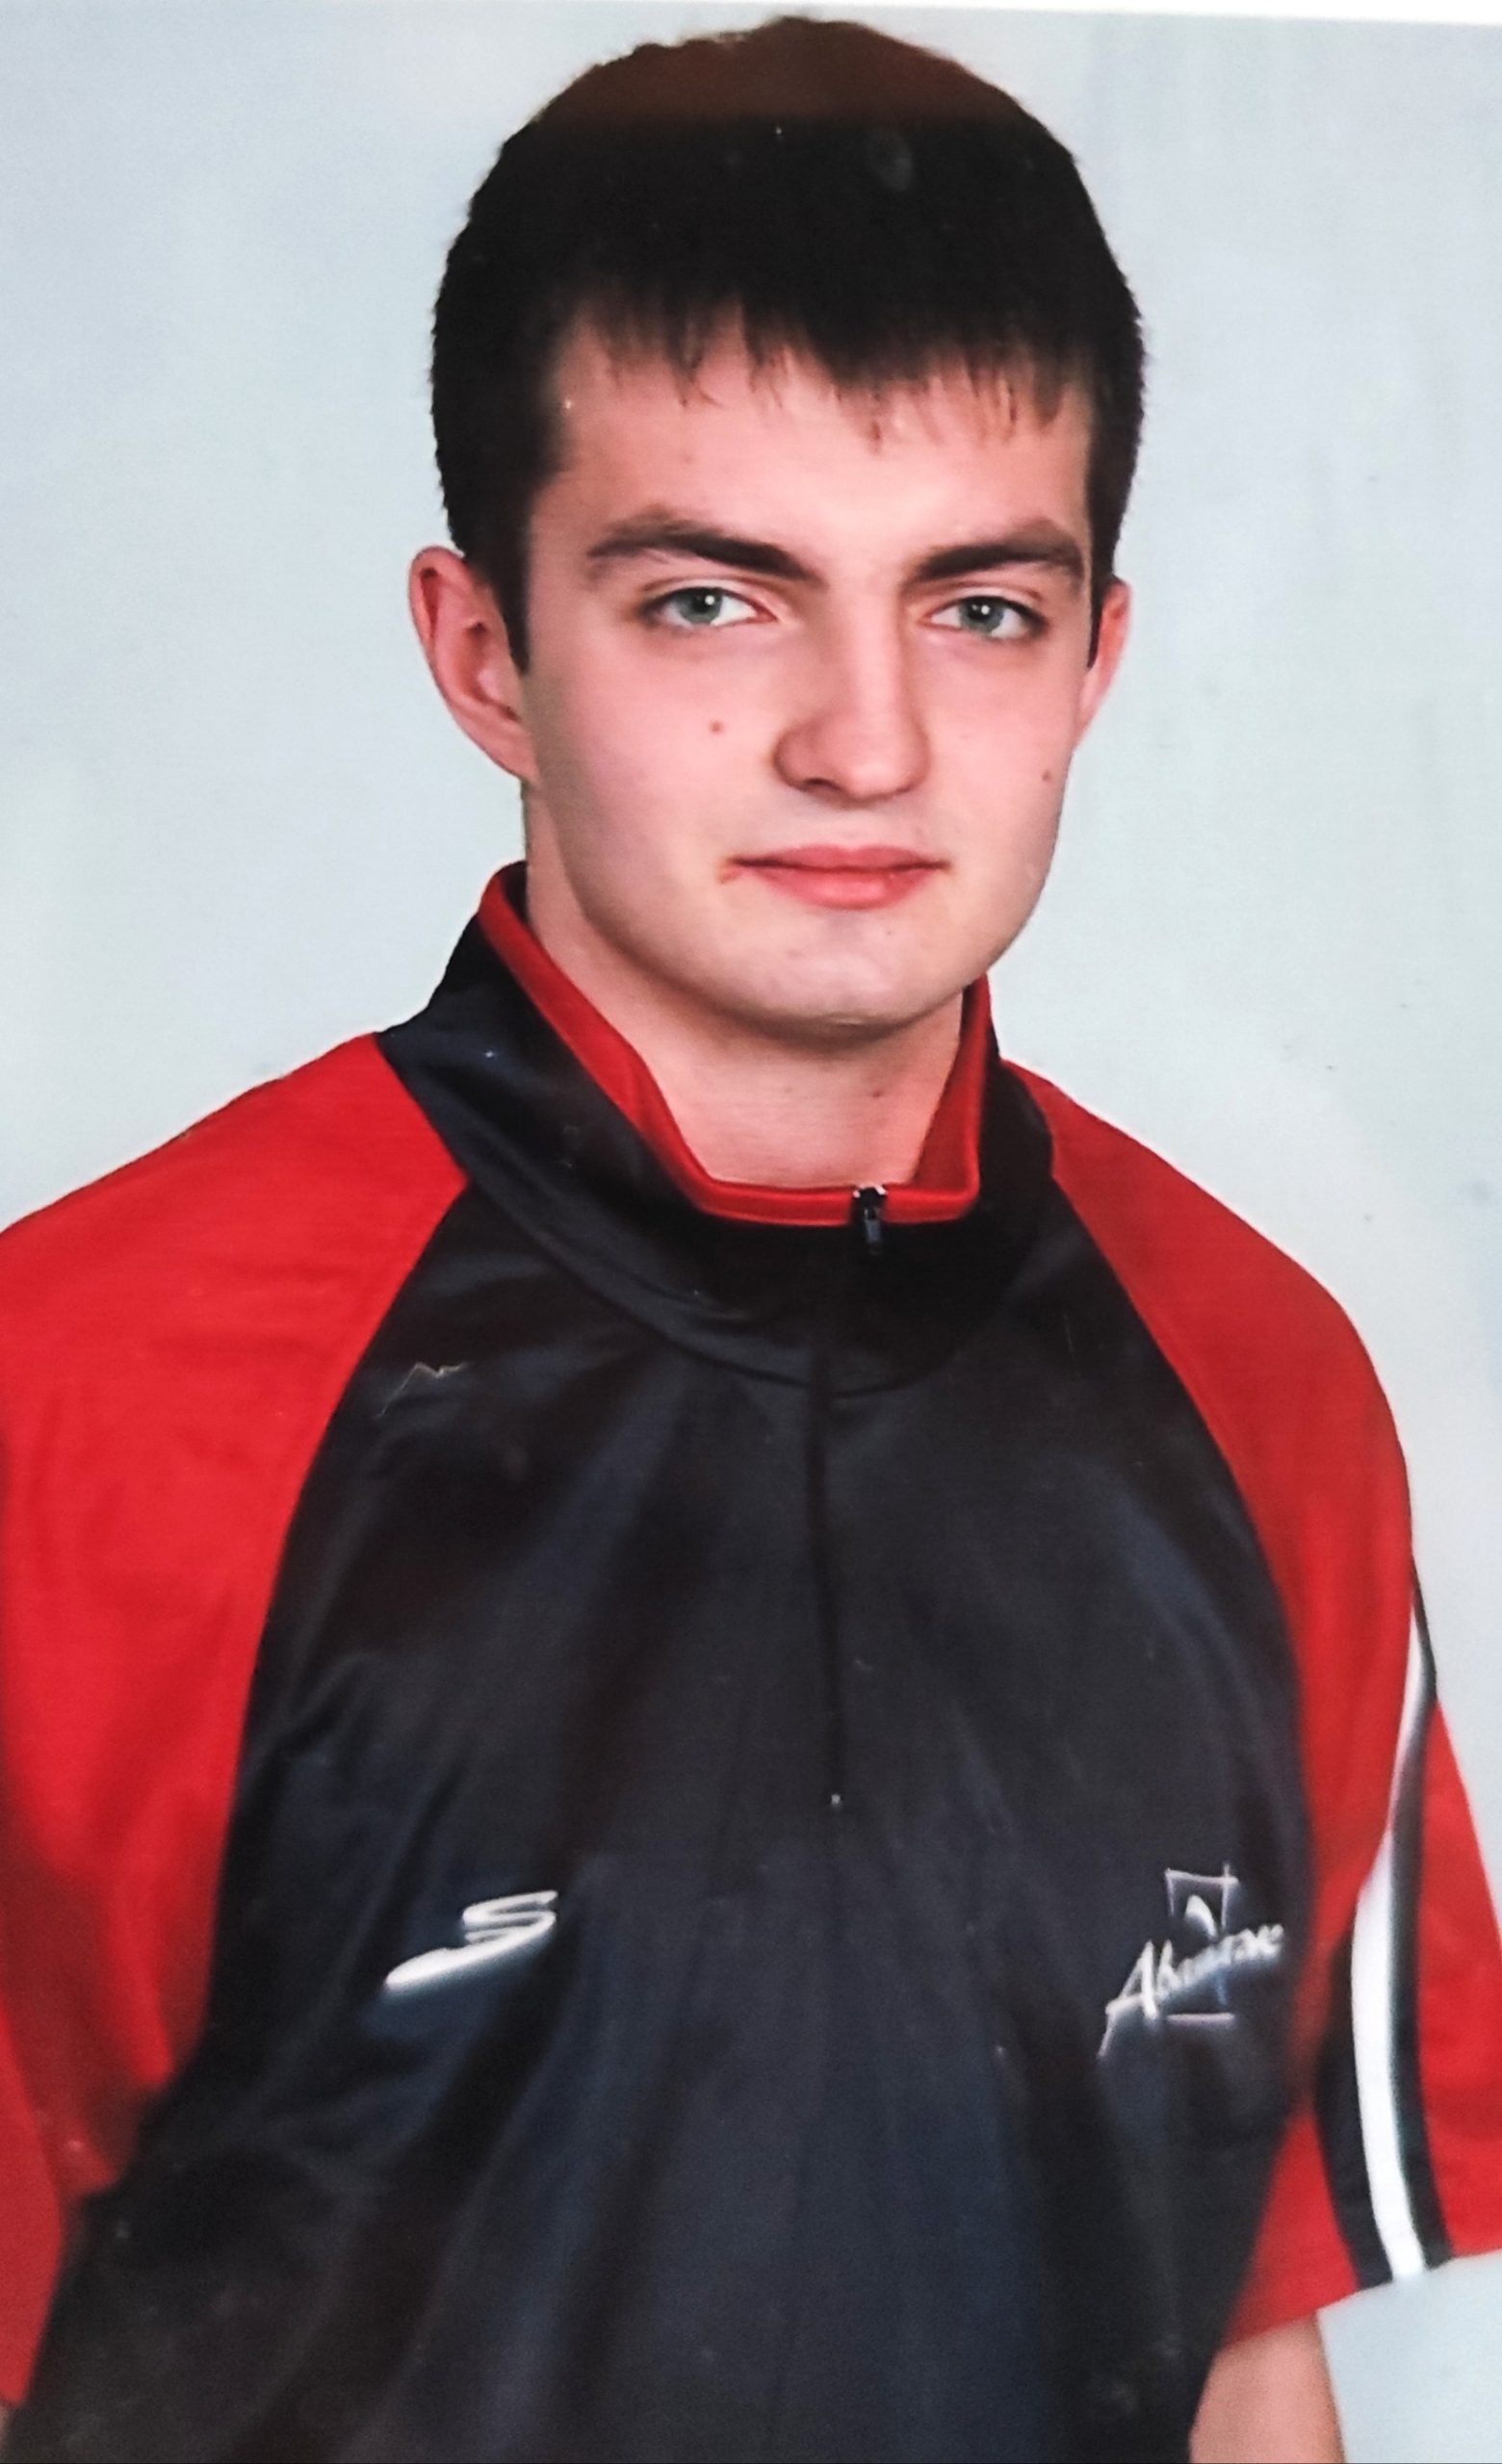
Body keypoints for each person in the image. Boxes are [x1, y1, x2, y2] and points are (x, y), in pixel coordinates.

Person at [1, 14, 1499, 2460]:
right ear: (485, 649)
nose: (864, 743)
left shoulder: (1260, 1376)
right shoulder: (73, 1400)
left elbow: (1245, 2343)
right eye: (713, 599)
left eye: (978, 607)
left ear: (1098, 657)